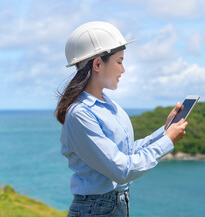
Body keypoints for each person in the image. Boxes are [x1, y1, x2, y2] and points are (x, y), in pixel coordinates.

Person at [55, 21, 188, 217]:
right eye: (119, 61)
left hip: (111, 206)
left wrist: (165, 130)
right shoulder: (80, 114)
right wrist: (167, 141)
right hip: (96, 209)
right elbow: (122, 171)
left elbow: (127, 152)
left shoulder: (110, 106)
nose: (123, 69)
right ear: (98, 64)